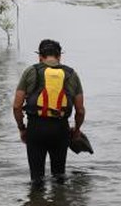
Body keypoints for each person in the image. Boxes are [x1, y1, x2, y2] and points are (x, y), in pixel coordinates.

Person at [13, 39, 86, 182]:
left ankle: (36, 202)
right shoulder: (71, 74)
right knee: (59, 177)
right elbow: (80, 110)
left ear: (40, 57)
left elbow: (16, 106)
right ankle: (59, 202)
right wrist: (76, 130)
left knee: (36, 179)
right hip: (60, 130)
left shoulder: (30, 71)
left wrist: (22, 129)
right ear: (59, 56)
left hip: (36, 129)